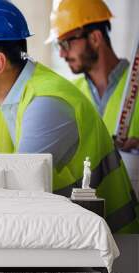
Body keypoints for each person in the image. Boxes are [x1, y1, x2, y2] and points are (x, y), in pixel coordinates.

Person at [0, 0, 138, 233]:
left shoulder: (46, 105)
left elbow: (18, 196)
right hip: (82, 244)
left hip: (116, 249)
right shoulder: (10, 100)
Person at [47, 0, 139, 200]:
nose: (62, 53)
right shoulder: (68, 93)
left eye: (66, 43)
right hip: (85, 217)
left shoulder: (136, 85)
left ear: (95, 37)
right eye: (58, 45)